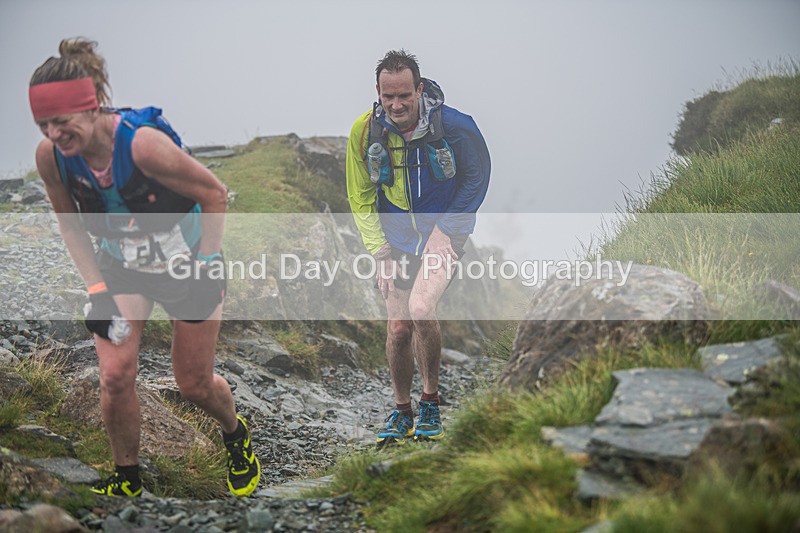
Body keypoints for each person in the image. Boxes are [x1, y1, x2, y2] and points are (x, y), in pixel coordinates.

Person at [29, 38, 260, 497]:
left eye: (62, 121)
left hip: (187, 265)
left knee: (193, 384)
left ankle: (235, 435)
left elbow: (214, 194)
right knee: (115, 376)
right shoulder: (50, 157)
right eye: (43, 124)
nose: (54, 134)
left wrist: (210, 263)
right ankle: (128, 478)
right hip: (123, 269)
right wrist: (96, 288)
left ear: (92, 107)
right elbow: (70, 224)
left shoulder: (143, 147)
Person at [346, 50, 490, 447]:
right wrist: (379, 252)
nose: (396, 105)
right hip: (396, 238)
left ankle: (430, 402)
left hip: (443, 231)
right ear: (378, 92)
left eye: (404, 95)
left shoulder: (456, 126)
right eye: (387, 96)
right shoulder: (364, 131)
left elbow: (477, 180)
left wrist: (446, 229)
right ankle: (402, 410)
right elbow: (359, 196)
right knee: (397, 326)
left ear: (419, 89)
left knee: (422, 308)